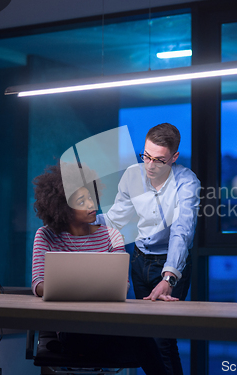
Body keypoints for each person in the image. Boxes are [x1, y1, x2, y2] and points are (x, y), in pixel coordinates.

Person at [31, 162, 167, 375]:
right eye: (81, 201)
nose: (91, 204)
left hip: (108, 322)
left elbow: (122, 286)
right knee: (140, 340)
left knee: (141, 336)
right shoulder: (45, 236)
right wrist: (86, 288)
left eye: (91, 197)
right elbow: (39, 285)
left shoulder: (111, 235)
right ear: (63, 207)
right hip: (70, 327)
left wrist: (73, 287)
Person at [93, 123, 201, 375]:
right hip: (140, 261)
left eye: (159, 160)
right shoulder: (133, 175)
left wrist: (169, 277)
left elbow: (182, 231)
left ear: (174, 157)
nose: (150, 165)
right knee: (145, 339)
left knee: (163, 340)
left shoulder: (187, 183)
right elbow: (116, 218)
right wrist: (82, 219)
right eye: (146, 156)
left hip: (170, 264)